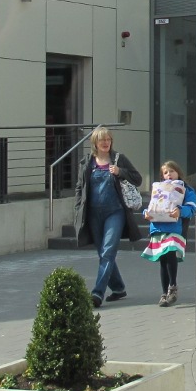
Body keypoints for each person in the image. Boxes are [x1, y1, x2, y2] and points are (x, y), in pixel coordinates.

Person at [73, 126, 143, 307]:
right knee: (103, 253)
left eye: (108, 139)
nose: (105, 142)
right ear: (95, 143)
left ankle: (97, 293)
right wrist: (77, 209)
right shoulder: (87, 162)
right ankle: (118, 288)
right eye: (102, 139)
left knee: (108, 251)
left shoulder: (119, 159)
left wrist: (120, 172)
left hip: (115, 212)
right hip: (93, 214)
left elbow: (138, 179)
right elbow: (80, 188)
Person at [141, 160, 196, 307]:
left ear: (178, 172)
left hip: (175, 228)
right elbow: (152, 206)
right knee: (163, 260)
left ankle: (172, 286)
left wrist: (180, 211)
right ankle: (164, 293)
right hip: (158, 228)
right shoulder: (159, 189)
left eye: (172, 171)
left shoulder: (186, 190)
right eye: (165, 172)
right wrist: (145, 213)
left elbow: (191, 209)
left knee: (170, 253)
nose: (169, 174)